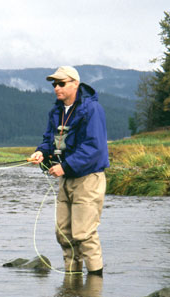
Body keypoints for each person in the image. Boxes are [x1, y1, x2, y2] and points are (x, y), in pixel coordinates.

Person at [29, 66, 109, 276]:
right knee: (64, 233)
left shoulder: (92, 109)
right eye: (54, 84)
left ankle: (94, 288)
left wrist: (65, 166)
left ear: (75, 83)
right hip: (66, 179)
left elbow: (94, 147)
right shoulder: (56, 112)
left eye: (61, 83)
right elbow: (49, 140)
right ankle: (72, 283)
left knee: (84, 234)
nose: (56, 88)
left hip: (88, 178)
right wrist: (41, 153)